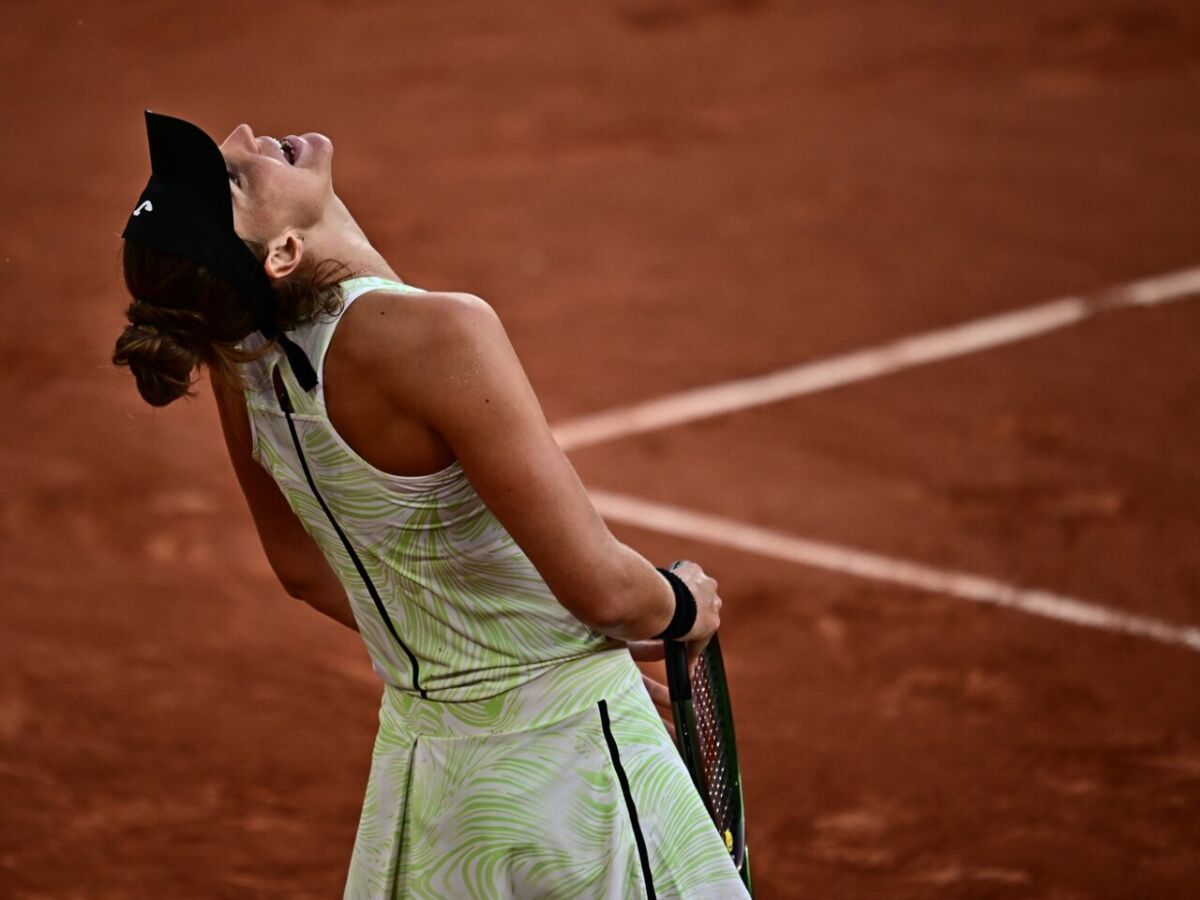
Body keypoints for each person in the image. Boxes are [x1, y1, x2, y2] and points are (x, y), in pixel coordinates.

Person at [113, 111, 750, 899]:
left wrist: (487, 656)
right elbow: (610, 594)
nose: (243, 135)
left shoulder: (245, 363)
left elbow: (303, 572)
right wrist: (685, 600)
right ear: (281, 253)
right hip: (573, 770)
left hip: (430, 784)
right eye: (239, 177)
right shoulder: (440, 333)